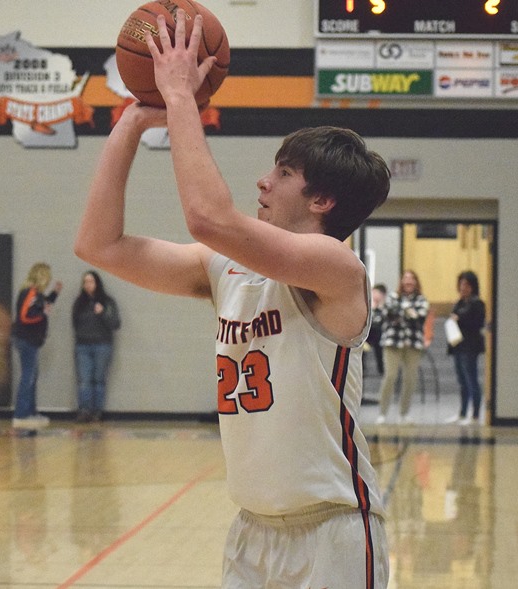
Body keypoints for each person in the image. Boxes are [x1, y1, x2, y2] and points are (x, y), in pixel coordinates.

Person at [75, 11, 391, 588]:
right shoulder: (225, 268)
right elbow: (100, 244)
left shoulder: (337, 269)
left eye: (284, 172)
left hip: (334, 532)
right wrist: (132, 120)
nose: (263, 182)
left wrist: (179, 100)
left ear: (321, 198)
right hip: (252, 531)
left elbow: (207, 218)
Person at [11, 263, 62, 429]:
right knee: (28, 377)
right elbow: (25, 316)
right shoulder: (30, 292)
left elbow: (42, 304)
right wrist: (43, 315)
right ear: (42, 276)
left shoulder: (36, 293)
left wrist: (54, 293)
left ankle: (30, 413)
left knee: (32, 376)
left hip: (31, 340)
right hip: (26, 340)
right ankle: (21, 415)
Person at [376, 270, 429, 425]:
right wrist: (406, 312)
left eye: (411, 279)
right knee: (390, 376)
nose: (408, 282)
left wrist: (401, 313)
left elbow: (419, 318)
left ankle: (403, 413)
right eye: (405, 279)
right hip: (392, 342)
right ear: (401, 282)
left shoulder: (421, 299)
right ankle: (382, 413)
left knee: (410, 379)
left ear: (416, 282)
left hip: (413, 343)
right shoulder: (393, 297)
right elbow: (387, 313)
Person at [72, 270, 120, 422]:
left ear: (97, 283)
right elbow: (74, 323)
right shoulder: (79, 303)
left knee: (98, 380)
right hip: (83, 346)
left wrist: (103, 313)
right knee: (84, 380)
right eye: (85, 282)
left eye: (91, 281)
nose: (88, 285)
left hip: (102, 345)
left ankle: (97, 412)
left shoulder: (107, 302)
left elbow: (115, 324)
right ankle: (84, 410)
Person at [446, 271, 486, 425]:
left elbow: (476, 323)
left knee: (471, 380)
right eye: (461, 284)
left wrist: (460, 318)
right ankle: (462, 413)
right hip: (458, 346)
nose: (463, 288)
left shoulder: (477, 303)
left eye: (467, 285)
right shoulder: (460, 303)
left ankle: (475, 415)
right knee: (462, 381)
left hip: (470, 347)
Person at [364, 283, 387, 375]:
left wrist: (380, 306)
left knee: (378, 334)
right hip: (368, 333)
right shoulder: (368, 305)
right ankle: (363, 368)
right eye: (374, 293)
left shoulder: (385, 307)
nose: (375, 295)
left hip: (380, 334)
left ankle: (381, 368)